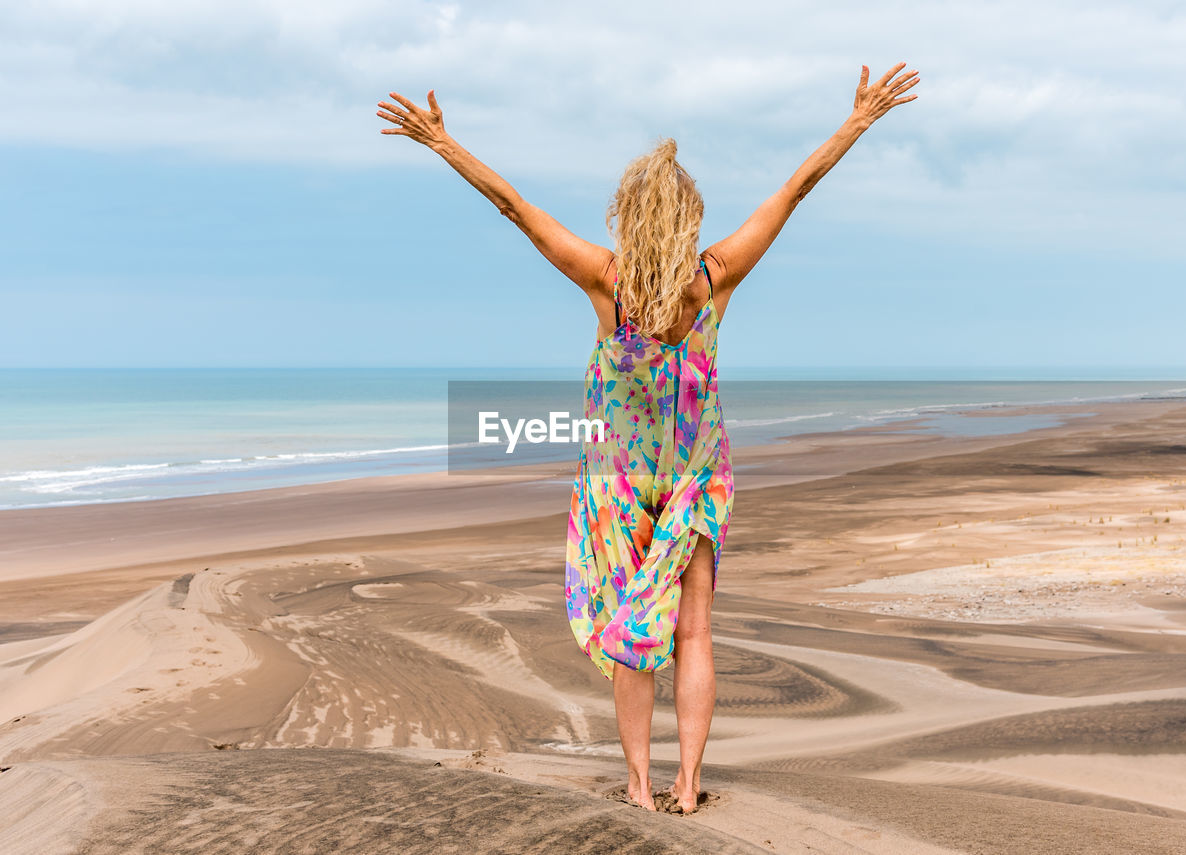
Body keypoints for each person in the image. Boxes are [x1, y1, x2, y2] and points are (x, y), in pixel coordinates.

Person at [376, 62, 919, 813]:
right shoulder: (714, 279)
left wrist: (442, 142)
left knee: (636, 632)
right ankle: (688, 785)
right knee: (694, 630)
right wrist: (856, 122)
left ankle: (637, 784)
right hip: (697, 476)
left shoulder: (607, 283)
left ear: (626, 217)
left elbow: (514, 207)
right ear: (688, 216)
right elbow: (794, 192)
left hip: (620, 483)